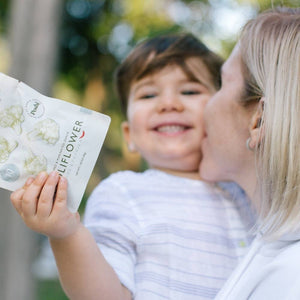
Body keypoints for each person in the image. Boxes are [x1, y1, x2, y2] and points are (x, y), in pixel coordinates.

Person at [10, 34, 254, 300]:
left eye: (190, 91)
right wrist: (65, 234)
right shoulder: (122, 192)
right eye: (149, 94)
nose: (169, 104)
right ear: (129, 136)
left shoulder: (247, 186)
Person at [199, 7, 300, 299]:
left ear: (259, 120)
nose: (203, 103)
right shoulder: (277, 247)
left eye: (221, 83)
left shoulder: (290, 277)